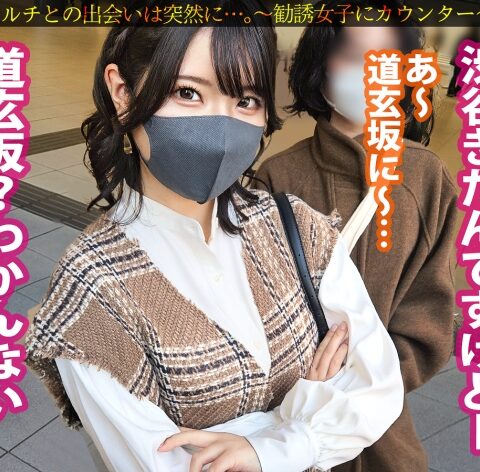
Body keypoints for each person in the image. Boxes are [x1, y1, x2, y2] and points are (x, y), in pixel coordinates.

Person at [24, 2, 404, 471]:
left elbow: (379, 385)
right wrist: (306, 416)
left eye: (245, 100)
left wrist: (263, 447)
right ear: (123, 92)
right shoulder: (90, 292)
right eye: (188, 92)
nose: (221, 128)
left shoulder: (296, 225)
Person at [251, 2, 458, 472]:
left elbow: (428, 318)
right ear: (320, 63)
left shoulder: (426, 179)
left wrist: (362, 384)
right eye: (350, 54)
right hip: (289, 421)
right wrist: (304, 381)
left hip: (383, 436)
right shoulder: (277, 177)